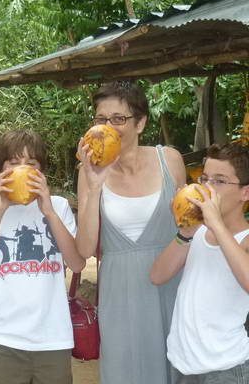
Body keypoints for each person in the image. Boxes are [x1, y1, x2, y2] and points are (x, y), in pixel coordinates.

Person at [76, 81, 186, 384]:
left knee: (175, 367)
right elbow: (85, 248)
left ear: (141, 123)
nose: (108, 126)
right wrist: (95, 183)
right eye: (101, 119)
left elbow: (189, 224)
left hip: (173, 284)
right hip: (119, 291)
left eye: (118, 119)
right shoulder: (88, 172)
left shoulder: (170, 160)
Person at [0, 129, 85, 384]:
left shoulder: (59, 206)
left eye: (31, 164)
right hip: (1, 339)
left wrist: (49, 212)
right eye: (14, 164)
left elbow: (76, 263)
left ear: (41, 173)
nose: (23, 170)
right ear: (0, 172)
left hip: (53, 339)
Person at [151, 143, 249, 384]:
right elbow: (157, 275)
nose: (207, 188)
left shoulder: (244, 239)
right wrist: (187, 231)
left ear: (245, 193)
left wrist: (216, 224)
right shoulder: (196, 233)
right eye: (205, 179)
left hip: (226, 369)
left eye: (220, 181)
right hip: (183, 365)